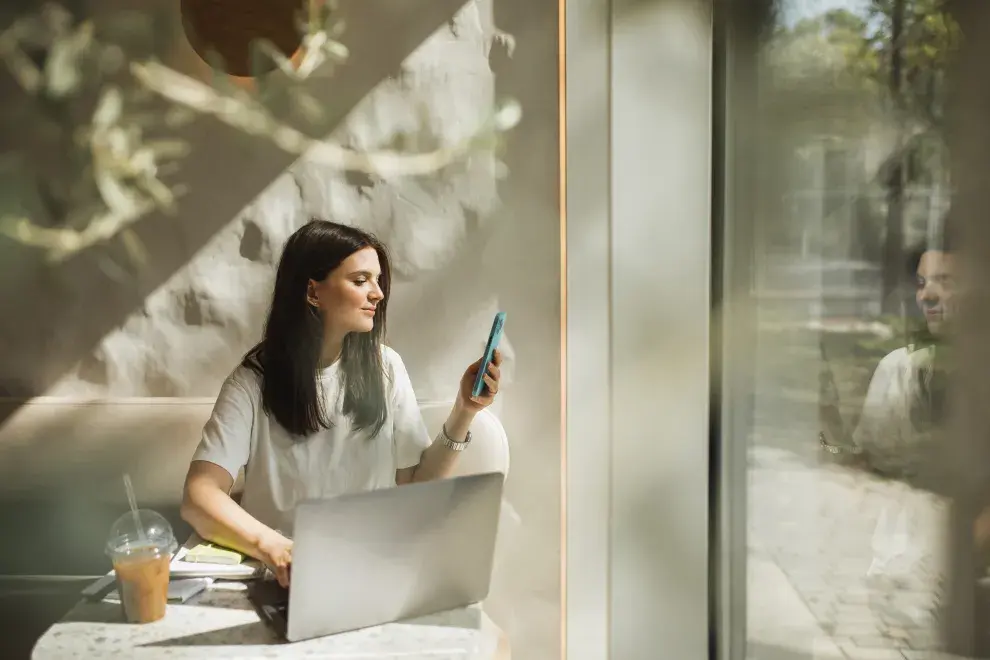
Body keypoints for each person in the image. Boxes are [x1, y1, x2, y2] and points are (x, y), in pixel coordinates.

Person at [180, 219, 503, 587]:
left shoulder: (386, 368)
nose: (378, 294)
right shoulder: (253, 381)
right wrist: (277, 549)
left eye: (378, 281)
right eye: (361, 280)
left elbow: (415, 486)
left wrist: (465, 409)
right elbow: (199, 495)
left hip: (371, 569)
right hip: (286, 579)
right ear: (313, 292)